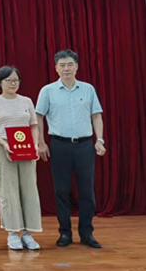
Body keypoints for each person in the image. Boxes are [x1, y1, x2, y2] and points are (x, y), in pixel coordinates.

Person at [36, 49, 106, 249]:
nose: (66, 68)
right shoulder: (47, 90)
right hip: (59, 145)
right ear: (56, 68)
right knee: (61, 191)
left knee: (87, 191)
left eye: (70, 64)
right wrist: (41, 142)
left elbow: (96, 116)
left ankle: (87, 233)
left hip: (84, 145)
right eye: (62, 65)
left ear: (77, 67)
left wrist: (99, 140)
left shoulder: (88, 89)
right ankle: (64, 233)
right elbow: (38, 117)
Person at [0, 66, 42, 250]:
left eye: (16, 80)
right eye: (8, 80)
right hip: (5, 148)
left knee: (29, 190)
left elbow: (33, 125)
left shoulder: (26, 101)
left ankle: (28, 233)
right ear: (0, 82)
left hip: (26, 149)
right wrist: (3, 143)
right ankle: (12, 233)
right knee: (8, 191)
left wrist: (35, 144)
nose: (13, 83)